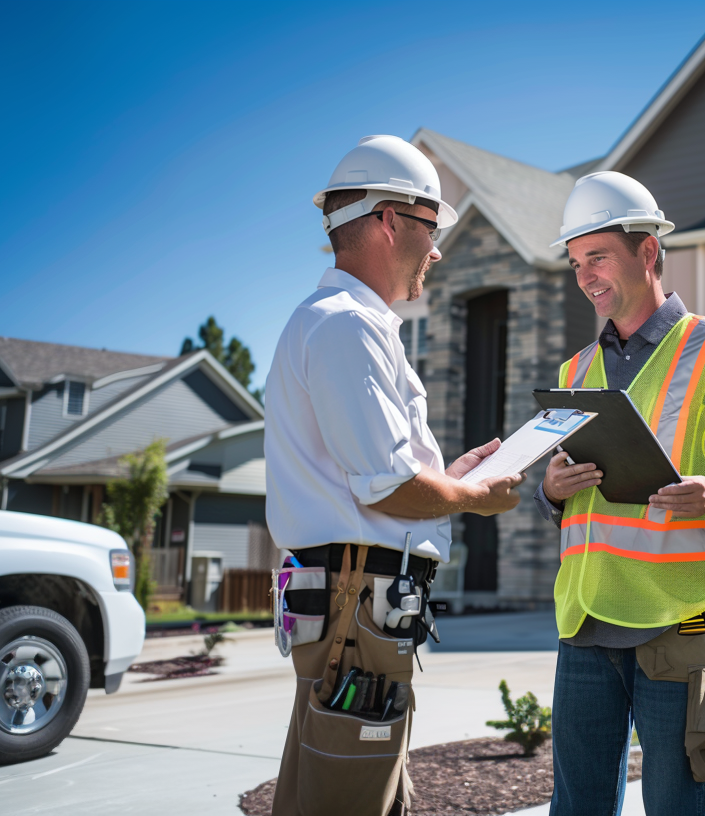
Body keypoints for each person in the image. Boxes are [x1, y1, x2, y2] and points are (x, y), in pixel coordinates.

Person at [264, 134, 523, 815]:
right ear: (387, 220)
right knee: (347, 792)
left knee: (340, 779)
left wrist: (447, 476)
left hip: (353, 600)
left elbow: (387, 474)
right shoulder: (346, 328)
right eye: (431, 228)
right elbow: (385, 487)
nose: (437, 251)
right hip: (358, 603)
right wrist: (474, 496)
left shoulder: (343, 325)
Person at [536, 171, 705, 815]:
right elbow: (569, 501)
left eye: (597, 256)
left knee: (676, 804)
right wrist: (550, 489)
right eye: (576, 263)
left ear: (648, 251)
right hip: (588, 620)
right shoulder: (575, 372)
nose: (586, 276)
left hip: (681, 622)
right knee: (575, 807)